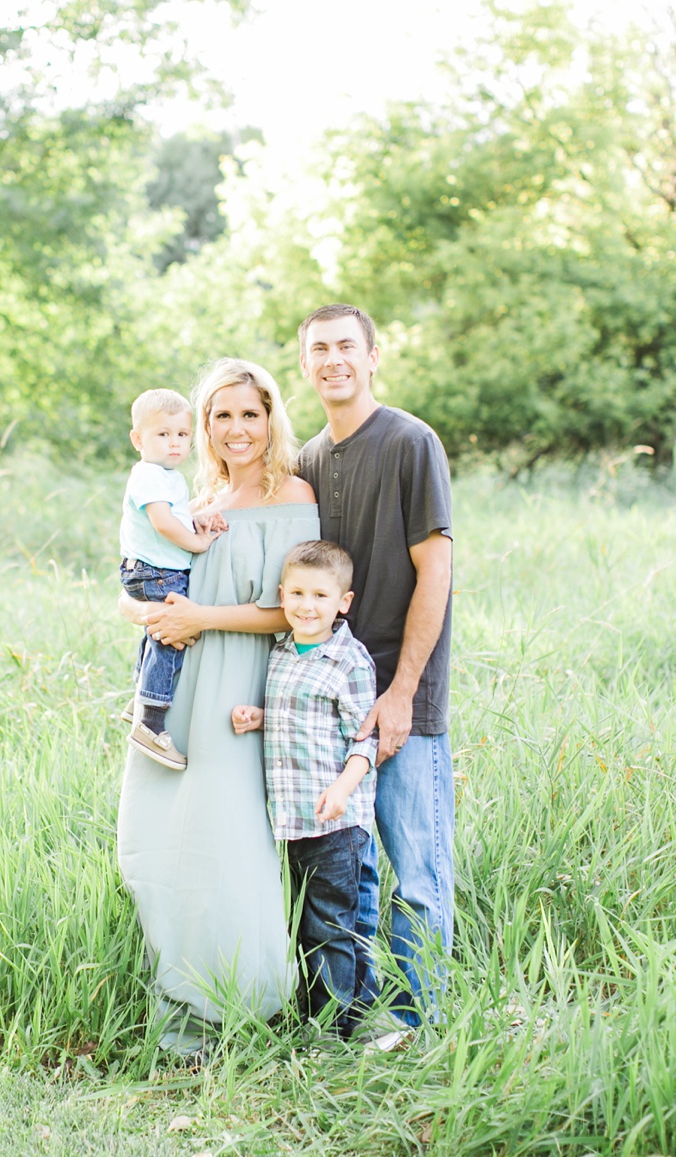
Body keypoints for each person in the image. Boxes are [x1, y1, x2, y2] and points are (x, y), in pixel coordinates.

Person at [116, 358, 318, 1058]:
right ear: (203, 427)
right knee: (171, 834)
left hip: (244, 689)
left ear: (271, 419)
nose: (237, 429)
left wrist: (199, 615)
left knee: (233, 842)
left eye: (249, 414)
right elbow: (143, 583)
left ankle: (248, 999)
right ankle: (181, 992)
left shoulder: (294, 494)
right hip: (182, 686)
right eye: (221, 416)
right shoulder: (197, 499)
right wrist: (142, 608)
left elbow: (289, 612)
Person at [296, 303, 454, 1027]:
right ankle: (354, 1018)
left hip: (400, 694)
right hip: (330, 702)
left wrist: (400, 693)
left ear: (371, 355)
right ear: (305, 365)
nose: (332, 359)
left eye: (345, 346)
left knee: (416, 873)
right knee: (347, 874)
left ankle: (423, 1026)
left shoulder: (409, 441)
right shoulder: (305, 459)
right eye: (318, 348)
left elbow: (436, 569)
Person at [231, 539, 377, 1036]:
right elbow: (300, 719)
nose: (306, 606)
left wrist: (342, 788)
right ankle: (321, 1014)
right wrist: (260, 718)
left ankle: (332, 1031)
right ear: (281, 594)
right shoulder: (282, 653)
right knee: (301, 924)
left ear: (343, 602)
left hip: (335, 821)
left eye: (319, 595)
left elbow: (365, 741)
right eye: (297, 593)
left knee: (330, 926)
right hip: (290, 821)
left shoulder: (350, 662)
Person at [119, 388, 220, 770]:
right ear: (138, 439)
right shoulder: (148, 474)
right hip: (156, 572)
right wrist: (198, 541)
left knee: (155, 632)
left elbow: (175, 513)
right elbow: (163, 523)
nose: (175, 443)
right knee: (170, 638)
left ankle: (140, 697)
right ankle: (152, 720)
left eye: (182, 434)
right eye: (163, 434)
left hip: (150, 570)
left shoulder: (166, 476)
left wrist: (198, 513)